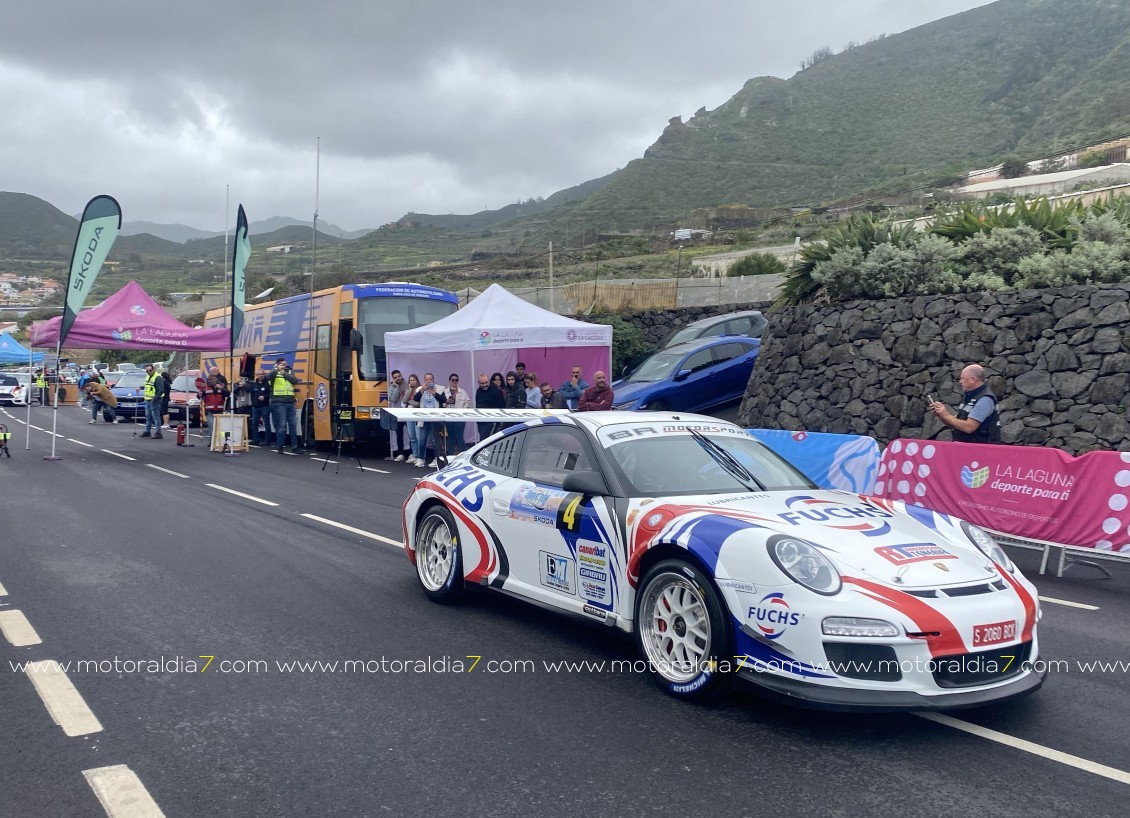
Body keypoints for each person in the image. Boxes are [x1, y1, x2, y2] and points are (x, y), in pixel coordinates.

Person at [929, 364, 1002, 444]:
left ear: (973, 379)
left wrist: (946, 415)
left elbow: (969, 427)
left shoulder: (985, 399)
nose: (960, 382)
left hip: (981, 451)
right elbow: (955, 423)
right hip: (966, 449)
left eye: (963, 378)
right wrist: (941, 415)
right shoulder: (970, 396)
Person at [414, 372, 447, 467]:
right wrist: (422, 391)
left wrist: (435, 393)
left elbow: (443, 400)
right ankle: (421, 459)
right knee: (422, 439)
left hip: (435, 418)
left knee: (435, 439)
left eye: (430, 379)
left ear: (433, 380)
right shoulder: (420, 389)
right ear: (424, 380)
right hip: (424, 418)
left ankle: (436, 458)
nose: (428, 381)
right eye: (426, 380)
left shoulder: (440, 388)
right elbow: (415, 399)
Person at [270, 356, 301, 453]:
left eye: (285, 364)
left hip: (290, 402)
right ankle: (280, 446)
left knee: (293, 425)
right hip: (279, 402)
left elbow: (295, 381)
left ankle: (294, 446)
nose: (284, 366)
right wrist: (277, 371)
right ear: (278, 364)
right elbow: (268, 378)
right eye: (282, 364)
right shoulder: (274, 372)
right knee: (282, 425)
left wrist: (284, 373)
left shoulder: (289, 371)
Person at [443, 373, 471, 454]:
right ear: (449, 381)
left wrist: (462, 411)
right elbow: (442, 404)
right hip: (449, 417)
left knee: (460, 436)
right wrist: (446, 402)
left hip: (460, 417)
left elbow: (468, 402)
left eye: (456, 380)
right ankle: (450, 456)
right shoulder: (445, 392)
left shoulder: (462, 391)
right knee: (451, 437)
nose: (454, 381)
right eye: (453, 380)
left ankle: (463, 455)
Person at [387, 369, 411, 461]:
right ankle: (400, 453)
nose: (398, 378)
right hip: (398, 412)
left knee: (410, 433)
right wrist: (397, 387)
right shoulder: (392, 387)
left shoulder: (407, 384)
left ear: (401, 376)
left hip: (408, 411)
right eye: (395, 377)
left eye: (399, 376)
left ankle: (411, 453)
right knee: (399, 433)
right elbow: (392, 399)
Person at [474, 373, 505, 442]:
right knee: (483, 441)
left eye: (486, 382)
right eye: (482, 383)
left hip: (492, 420)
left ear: (489, 381)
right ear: (478, 383)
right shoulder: (478, 391)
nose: (484, 385)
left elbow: (502, 405)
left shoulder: (496, 391)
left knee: (487, 442)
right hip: (481, 421)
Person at [140, 363, 165, 438]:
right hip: (148, 399)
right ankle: (147, 431)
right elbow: (147, 385)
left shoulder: (157, 377)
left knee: (155, 416)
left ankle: (158, 433)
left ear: (153, 369)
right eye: (147, 371)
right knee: (148, 416)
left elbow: (161, 390)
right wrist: (140, 388)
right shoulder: (148, 376)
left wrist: (155, 399)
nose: (148, 372)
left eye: (150, 370)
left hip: (155, 400)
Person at [249, 370, 273, 445]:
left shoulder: (268, 383)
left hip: (264, 406)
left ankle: (267, 440)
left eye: (262, 374)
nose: (261, 375)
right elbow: (249, 392)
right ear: (256, 375)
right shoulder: (253, 384)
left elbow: (271, 393)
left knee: (266, 423)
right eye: (259, 374)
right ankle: (256, 440)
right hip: (255, 407)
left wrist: (264, 397)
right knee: (254, 423)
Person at [404, 374, 423, 464]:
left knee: (418, 436)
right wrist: (410, 390)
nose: (412, 382)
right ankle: (415, 454)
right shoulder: (408, 390)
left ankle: (420, 455)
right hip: (409, 414)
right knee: (412, 436)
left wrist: (409, 401)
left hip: (417, 414)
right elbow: (404, 401)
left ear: (417, 381)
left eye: (414, 380)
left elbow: (419, 404)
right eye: (410, 380)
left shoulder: (420, 390)